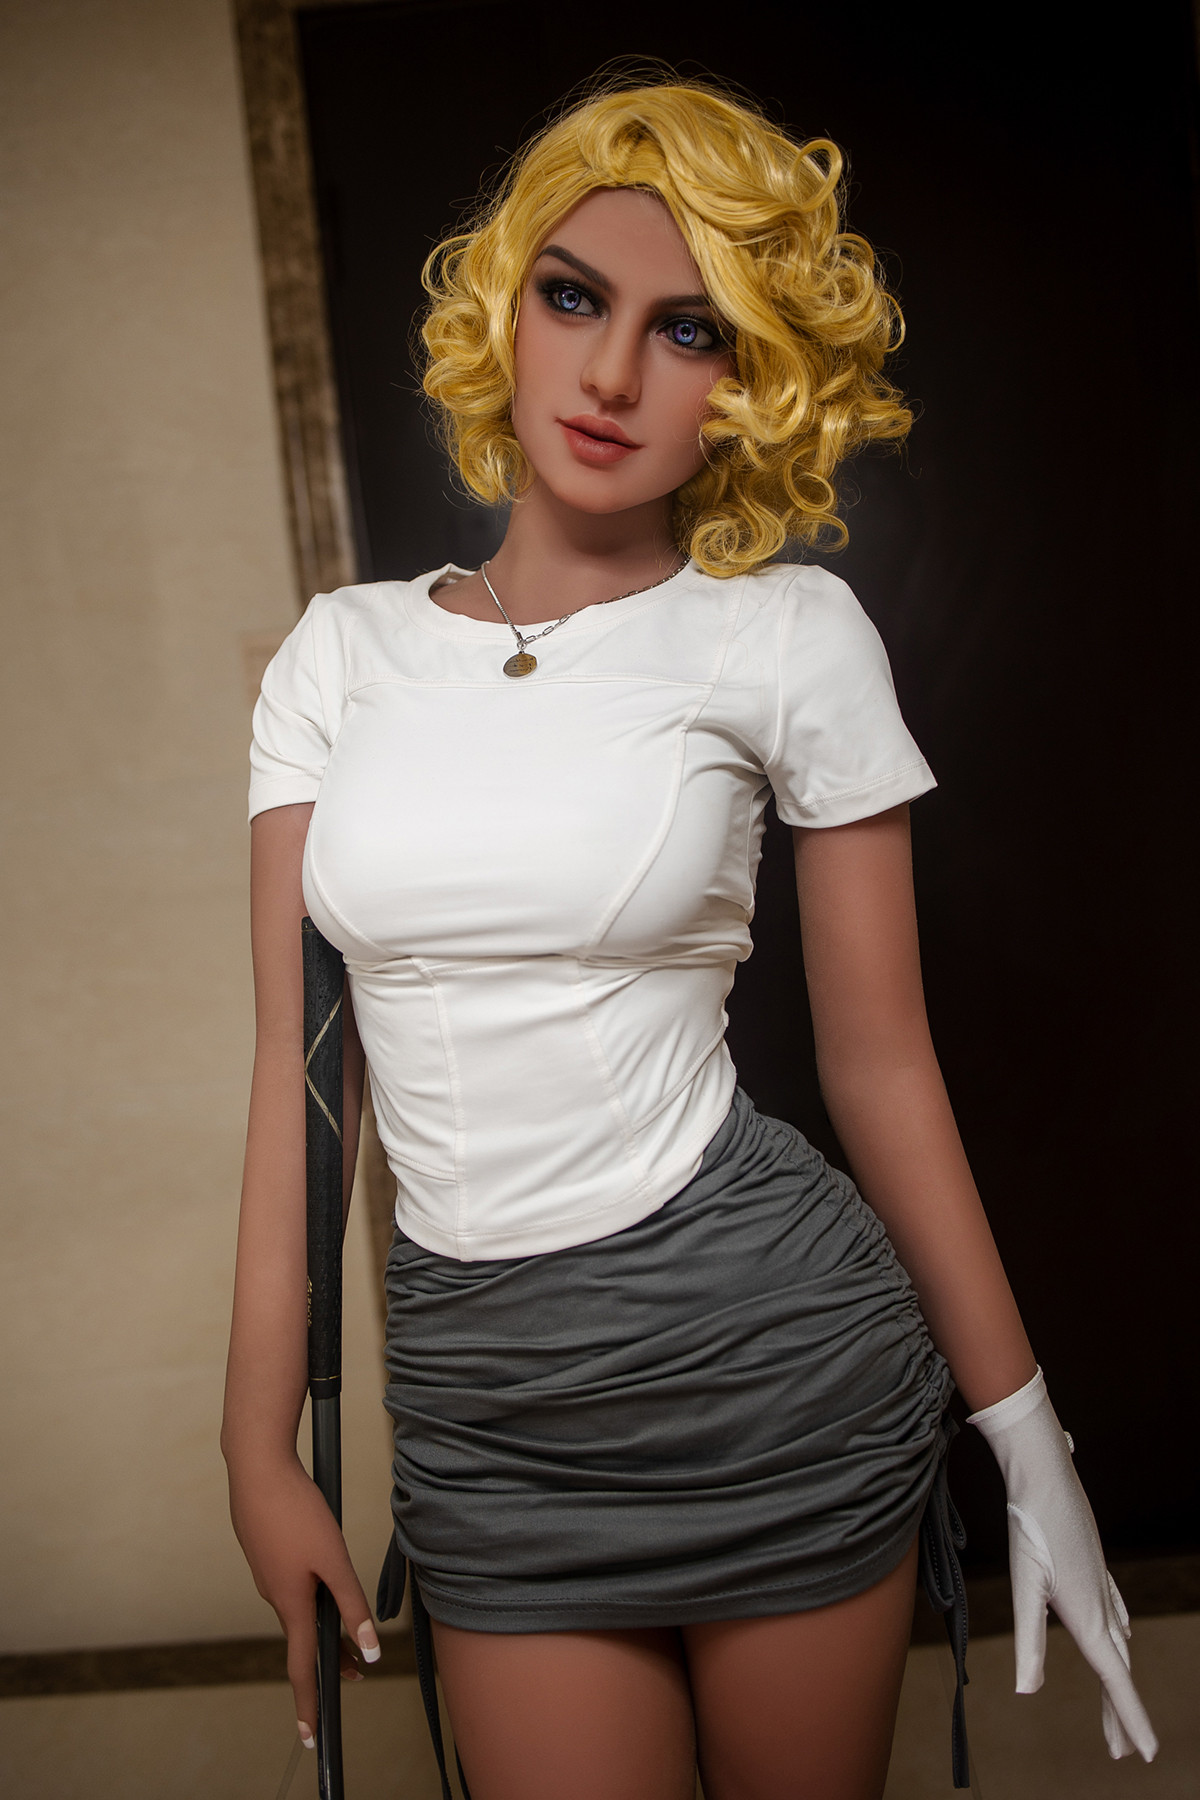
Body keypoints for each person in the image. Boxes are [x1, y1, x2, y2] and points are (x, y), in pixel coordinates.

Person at [223, 78, 1158, 1800]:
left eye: (688, 330)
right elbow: (301, 1077)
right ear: (503, 303)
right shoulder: (337, 658)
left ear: (752, 379)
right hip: (484, 1410)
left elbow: (885, 1067)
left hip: (771, 1370)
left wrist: (1030, 1436)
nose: (609, 374)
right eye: (574, 295)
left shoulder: (788, 636)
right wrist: (255, 1444)